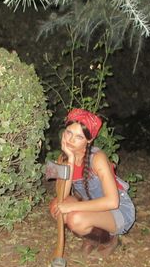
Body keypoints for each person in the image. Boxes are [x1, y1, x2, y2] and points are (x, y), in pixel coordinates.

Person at [49, 108, 135, 258]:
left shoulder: (98, 157)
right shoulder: (61, 158)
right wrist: (69, 159)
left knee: (75, 218)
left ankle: (109, 239)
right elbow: (61, 195)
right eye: (69, 133)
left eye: (78, 137)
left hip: (119, 211)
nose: (70, 140)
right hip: (93, 207)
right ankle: (91, 237)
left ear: (89, 140)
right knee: (56, 207)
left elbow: (112, 202)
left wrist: (73, 206)